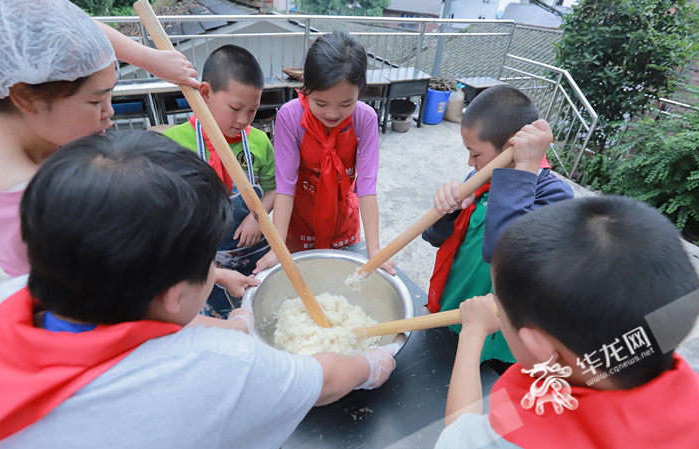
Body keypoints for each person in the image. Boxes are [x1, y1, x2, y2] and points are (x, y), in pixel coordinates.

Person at [0, 131, 398, 448]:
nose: (213, 271)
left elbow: (131, 333)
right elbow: (326, 378)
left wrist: (235, 321)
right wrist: (371, 363)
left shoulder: (3, 301)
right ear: (175, 293)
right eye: (209, 265)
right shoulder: (213, 370)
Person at [437, 196, 699, 448]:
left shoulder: (510, 440)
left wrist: (473, 333)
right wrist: (667, 293)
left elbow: (457, 431)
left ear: (540, 347)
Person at [0, 0, 198, 278]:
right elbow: (133, 300)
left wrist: (149, 59)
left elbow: (52, 32)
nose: (110, 112)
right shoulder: (57, 213)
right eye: (96, 101)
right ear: (25, 98)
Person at [421, 85, 573, 366]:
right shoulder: (479, 180)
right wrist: (446, 211)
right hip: (451, 310)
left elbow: (504, 254)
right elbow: (434, 237)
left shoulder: (555, 197)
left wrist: (522, 168)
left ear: (510, 148)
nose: (470, 162)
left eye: (476, 154)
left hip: (497, 339)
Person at [253, 31, 396, 275]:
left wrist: (374, 251)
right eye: (320, 103)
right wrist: (277, 248)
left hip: (342, 220)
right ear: (306, 88)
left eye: (345, 104)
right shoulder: (290, 117)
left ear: (360, 93)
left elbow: (367, 188)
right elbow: (285, 187)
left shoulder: (365, 119)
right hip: (299, 220)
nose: (332, 114)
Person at [163, 45, 274, 318]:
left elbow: (274, 190)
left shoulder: (258, 141)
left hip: (256, 258)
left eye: (252, 110)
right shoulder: (174, 144)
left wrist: (257, 216)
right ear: (205, 93)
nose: (243, 120)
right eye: (235, 108)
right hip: (204, 268)